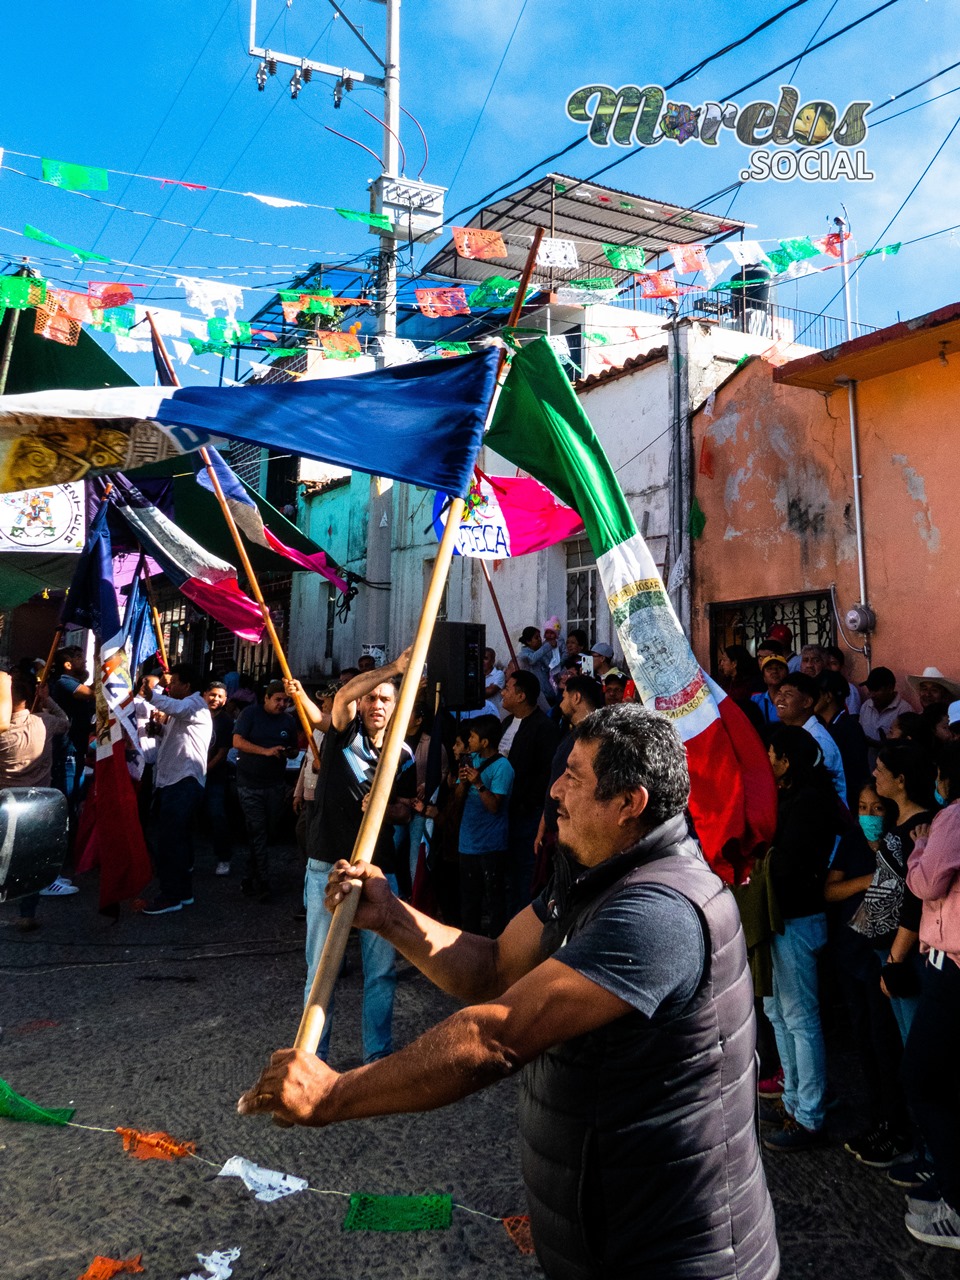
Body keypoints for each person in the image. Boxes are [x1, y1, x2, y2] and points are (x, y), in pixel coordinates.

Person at [240, 704, 780, 1280]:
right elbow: (496, 966)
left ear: (630, 804)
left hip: (672, 1251)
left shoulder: (661, 910)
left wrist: (333, 1095)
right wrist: (393, 917)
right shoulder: (593, 871)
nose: (554, 790)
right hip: (601, 1234)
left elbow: (496, 1034)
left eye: (574, 776)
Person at [295, 650, 415, 1064]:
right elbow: (344, 693)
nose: (376, 705)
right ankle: (314, 1055)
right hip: (327, 864)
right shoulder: (342, 734)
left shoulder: (404, 755)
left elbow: (404, 811)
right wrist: (395, 669)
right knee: (321, 969)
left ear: (397, 707)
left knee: (380, 971)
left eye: (386, 699)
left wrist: (384, 808)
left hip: (378, 873)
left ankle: (376, 1056)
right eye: (372, 698)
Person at [761, 725, 842, 1151]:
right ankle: (793, 1100)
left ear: (787, 761)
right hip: (781, 918)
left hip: (797, 917)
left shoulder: (808, 803)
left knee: (800, 1019)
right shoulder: (792, 797)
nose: (766, 759)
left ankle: (810, 1115)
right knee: (778, 1013)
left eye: (771, 753)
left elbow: (787, 863)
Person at [826, 782, 913, 1168]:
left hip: (884, 959)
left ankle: (898, 1126)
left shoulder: (900, 844)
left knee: (887, 1044)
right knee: (864, 1040)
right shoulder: (850, 841)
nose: (868, 816)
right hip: (851, 956)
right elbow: (830, 891)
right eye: (861, 807)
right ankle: (878, 1118)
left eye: (876, 809)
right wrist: (870, 881)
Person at [902, 742, 960, 1250]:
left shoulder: (952, 817)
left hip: (952, 968)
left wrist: (919, 846)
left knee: (927, 1080)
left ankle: (957, 1202)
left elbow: (925, 883)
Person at [851, 744, 936, 1049]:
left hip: (904, 952)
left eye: (881, 770)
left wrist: (895, 959)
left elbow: (915, 900)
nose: (874, 774)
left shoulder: (922, 828)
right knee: (902, 1036)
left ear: (901, 780)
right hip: (886, 948)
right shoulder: (896, 821)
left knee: (916, 1040)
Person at [0, 668, 71, 930]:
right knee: (31, 860)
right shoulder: (45, 722)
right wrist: (48, 700)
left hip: (5, 803)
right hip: (38, 804)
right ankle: (27, 912)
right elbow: (66, 721)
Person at [139, 665, 212, 915]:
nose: (170, 687)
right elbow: (176, 737)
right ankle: (183, 891)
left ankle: (171, 895)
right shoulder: (186, 710)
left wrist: (151, 695)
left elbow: (175, 707)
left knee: (171, 841)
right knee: (177, 839)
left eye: (175, 682)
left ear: (188, 686)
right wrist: (158, 731)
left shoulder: (195, 704)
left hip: (183, 780)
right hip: (172, 779)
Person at [499, 670, 561, 915]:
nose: (503, 692)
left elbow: (547, 773)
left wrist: (526, 802)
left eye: (507, 688)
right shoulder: (506, 723)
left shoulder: (543, 728)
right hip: (501, 812)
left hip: (526, 814)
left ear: (521, 695)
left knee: (525, 871)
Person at [233, 681, 298, 901]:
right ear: (266, 698)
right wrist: (265, 752)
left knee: (267, 832)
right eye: (278, 699)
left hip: (275, 784)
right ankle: (263, 882)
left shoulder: (288, 721)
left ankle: (249, 875)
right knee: (257, 830)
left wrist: (288, 752)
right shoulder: (250, 714)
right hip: (250, 783)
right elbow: (237, 741)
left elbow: (293, 747)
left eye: (286, 700)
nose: (282, 704)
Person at [455, 714, 514, 937]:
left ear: (485, 742)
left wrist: (478, 783)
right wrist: (461, 783)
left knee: (494, 901)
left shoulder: (503, 767)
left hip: (491, 846)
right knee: (469, 902)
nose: (468, 741)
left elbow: (494, 807)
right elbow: (458, 800)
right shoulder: (471, 761)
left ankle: (497, 947)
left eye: (472, 737)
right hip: (467, 844)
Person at [773, 672, 847, 803]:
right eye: (779, 693)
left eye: (788, 695)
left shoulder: (818, 740)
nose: (780, 699)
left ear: (807, 702)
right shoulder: (789, 733)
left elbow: (819, 790)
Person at [50, 645, 94, 804]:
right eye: (79, 658)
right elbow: (91, 694)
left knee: (77, 794)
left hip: (78, 747)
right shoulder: (64, 682)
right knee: (68, 797)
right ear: (68, 665)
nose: (84, 661)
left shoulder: (74, 682)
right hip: (68, 749)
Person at [816, 670, 869, 800]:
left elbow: (854, 773)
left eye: (815, 693)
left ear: (828, 696)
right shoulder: (825, 725)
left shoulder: (849, 728)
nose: (810, 699)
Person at [203, 681, 236, 877]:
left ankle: (224, 857)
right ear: (205, 694)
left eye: (220, 696)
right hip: (190, 773)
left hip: (214, 775)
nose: (215, 699)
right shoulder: (195, 714)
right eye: (212, 694)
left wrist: (205, 769)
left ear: (225, 700)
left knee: (217, 814)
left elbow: (222, 752)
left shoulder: (225, 721)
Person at [859, 667, 914, 759]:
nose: (872, 694)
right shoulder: (866, 706)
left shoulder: (904, 710)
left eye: (876, 690)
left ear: (890, 688)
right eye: (870, 690)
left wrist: (879, 745)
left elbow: (906, 746)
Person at [517, 626, 555, 708]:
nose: (540, 640)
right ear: (528, 641)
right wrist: (547, 646)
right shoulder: (523, 655)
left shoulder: (539, 652)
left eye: (539, 637)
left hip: (548, 692)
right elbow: (532, 659)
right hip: (538, 696)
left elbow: (549, 666)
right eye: (536, 638)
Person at [752, 653, 789, 732]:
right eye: (769, 669)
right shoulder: (755, 699)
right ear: (764, 677)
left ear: (787, 674)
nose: (775, 671)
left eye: (780, 668)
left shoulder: (792, 700)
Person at [824, 645, 861, 715]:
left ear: (841, 667)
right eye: (826, 663)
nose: (828, 667)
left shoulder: (850, 689)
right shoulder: (817, 686)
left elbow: (853, 715)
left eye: (833, 663)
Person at [482, 647, 505, 716]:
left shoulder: (498, 674)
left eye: (485, 658)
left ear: (493, 661)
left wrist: (470, 692)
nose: (482, 661)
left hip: (493, 715)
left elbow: (490, 691)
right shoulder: (476, 675)